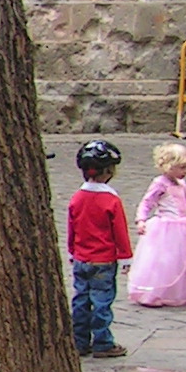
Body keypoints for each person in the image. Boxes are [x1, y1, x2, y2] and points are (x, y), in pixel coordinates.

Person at [67, 139, 132, 358]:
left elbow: (71, 228)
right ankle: (103, 342)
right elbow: (120, 231)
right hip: (103, 260)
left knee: (81, 300)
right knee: (102, 302)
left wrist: (71, 251)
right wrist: (125, 257)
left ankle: (79, 341)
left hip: (80, 259)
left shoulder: (77, 197)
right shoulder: (111, 200)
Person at [129, 142, 186, 308]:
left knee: (185, 259)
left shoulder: (182, 185)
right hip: (165, 228)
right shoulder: (160, 183)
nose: (185, 172)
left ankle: (185, 291)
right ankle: (156, 291)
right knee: (164, 260)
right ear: (169, 166)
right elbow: (147, 202)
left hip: (182, 228)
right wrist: (141, 219)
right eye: (181, 167)